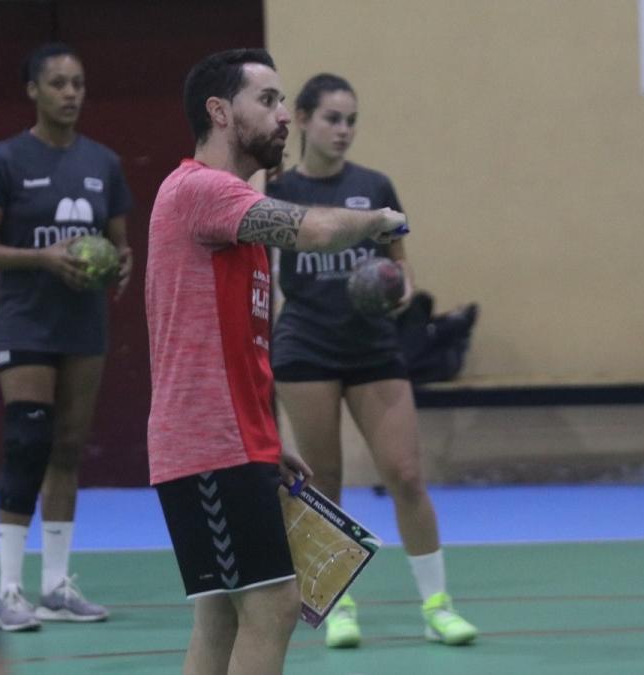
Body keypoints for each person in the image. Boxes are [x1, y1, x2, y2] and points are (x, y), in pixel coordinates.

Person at [145, 49, 406, 675]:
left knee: (222, 614)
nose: (284, 115)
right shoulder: (201, 189)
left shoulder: (226, 210)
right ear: (220, 112)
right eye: (267, 101)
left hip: (233, 440)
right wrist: (377, 220)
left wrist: (266, 438)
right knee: (273, 605)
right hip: (209, 443)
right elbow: (313, 230)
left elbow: (236, 344)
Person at [265, 73, 478, 648]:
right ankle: (340, 606)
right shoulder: (278, 190)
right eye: (333, 118)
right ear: (303, 120)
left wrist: (402, 287)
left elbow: (401, 263)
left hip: (374, 348)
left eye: (352, 120)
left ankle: (437, 606)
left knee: (405, 475)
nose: (344, 130)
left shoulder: (375, 185)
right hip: (305, 348)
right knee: (323, 480)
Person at [0, 42, 133, 632]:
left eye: (78, 83)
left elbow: (118, 241)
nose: (70, 93)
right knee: (26, 441)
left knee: (67, 446)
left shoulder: (103, 163)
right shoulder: (5, 159)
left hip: (84, 324)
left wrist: (121, 261)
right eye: (58, 83)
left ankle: (57, 584)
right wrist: (43, 258)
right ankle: (10, 590)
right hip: (27, 320)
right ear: (33, 89)